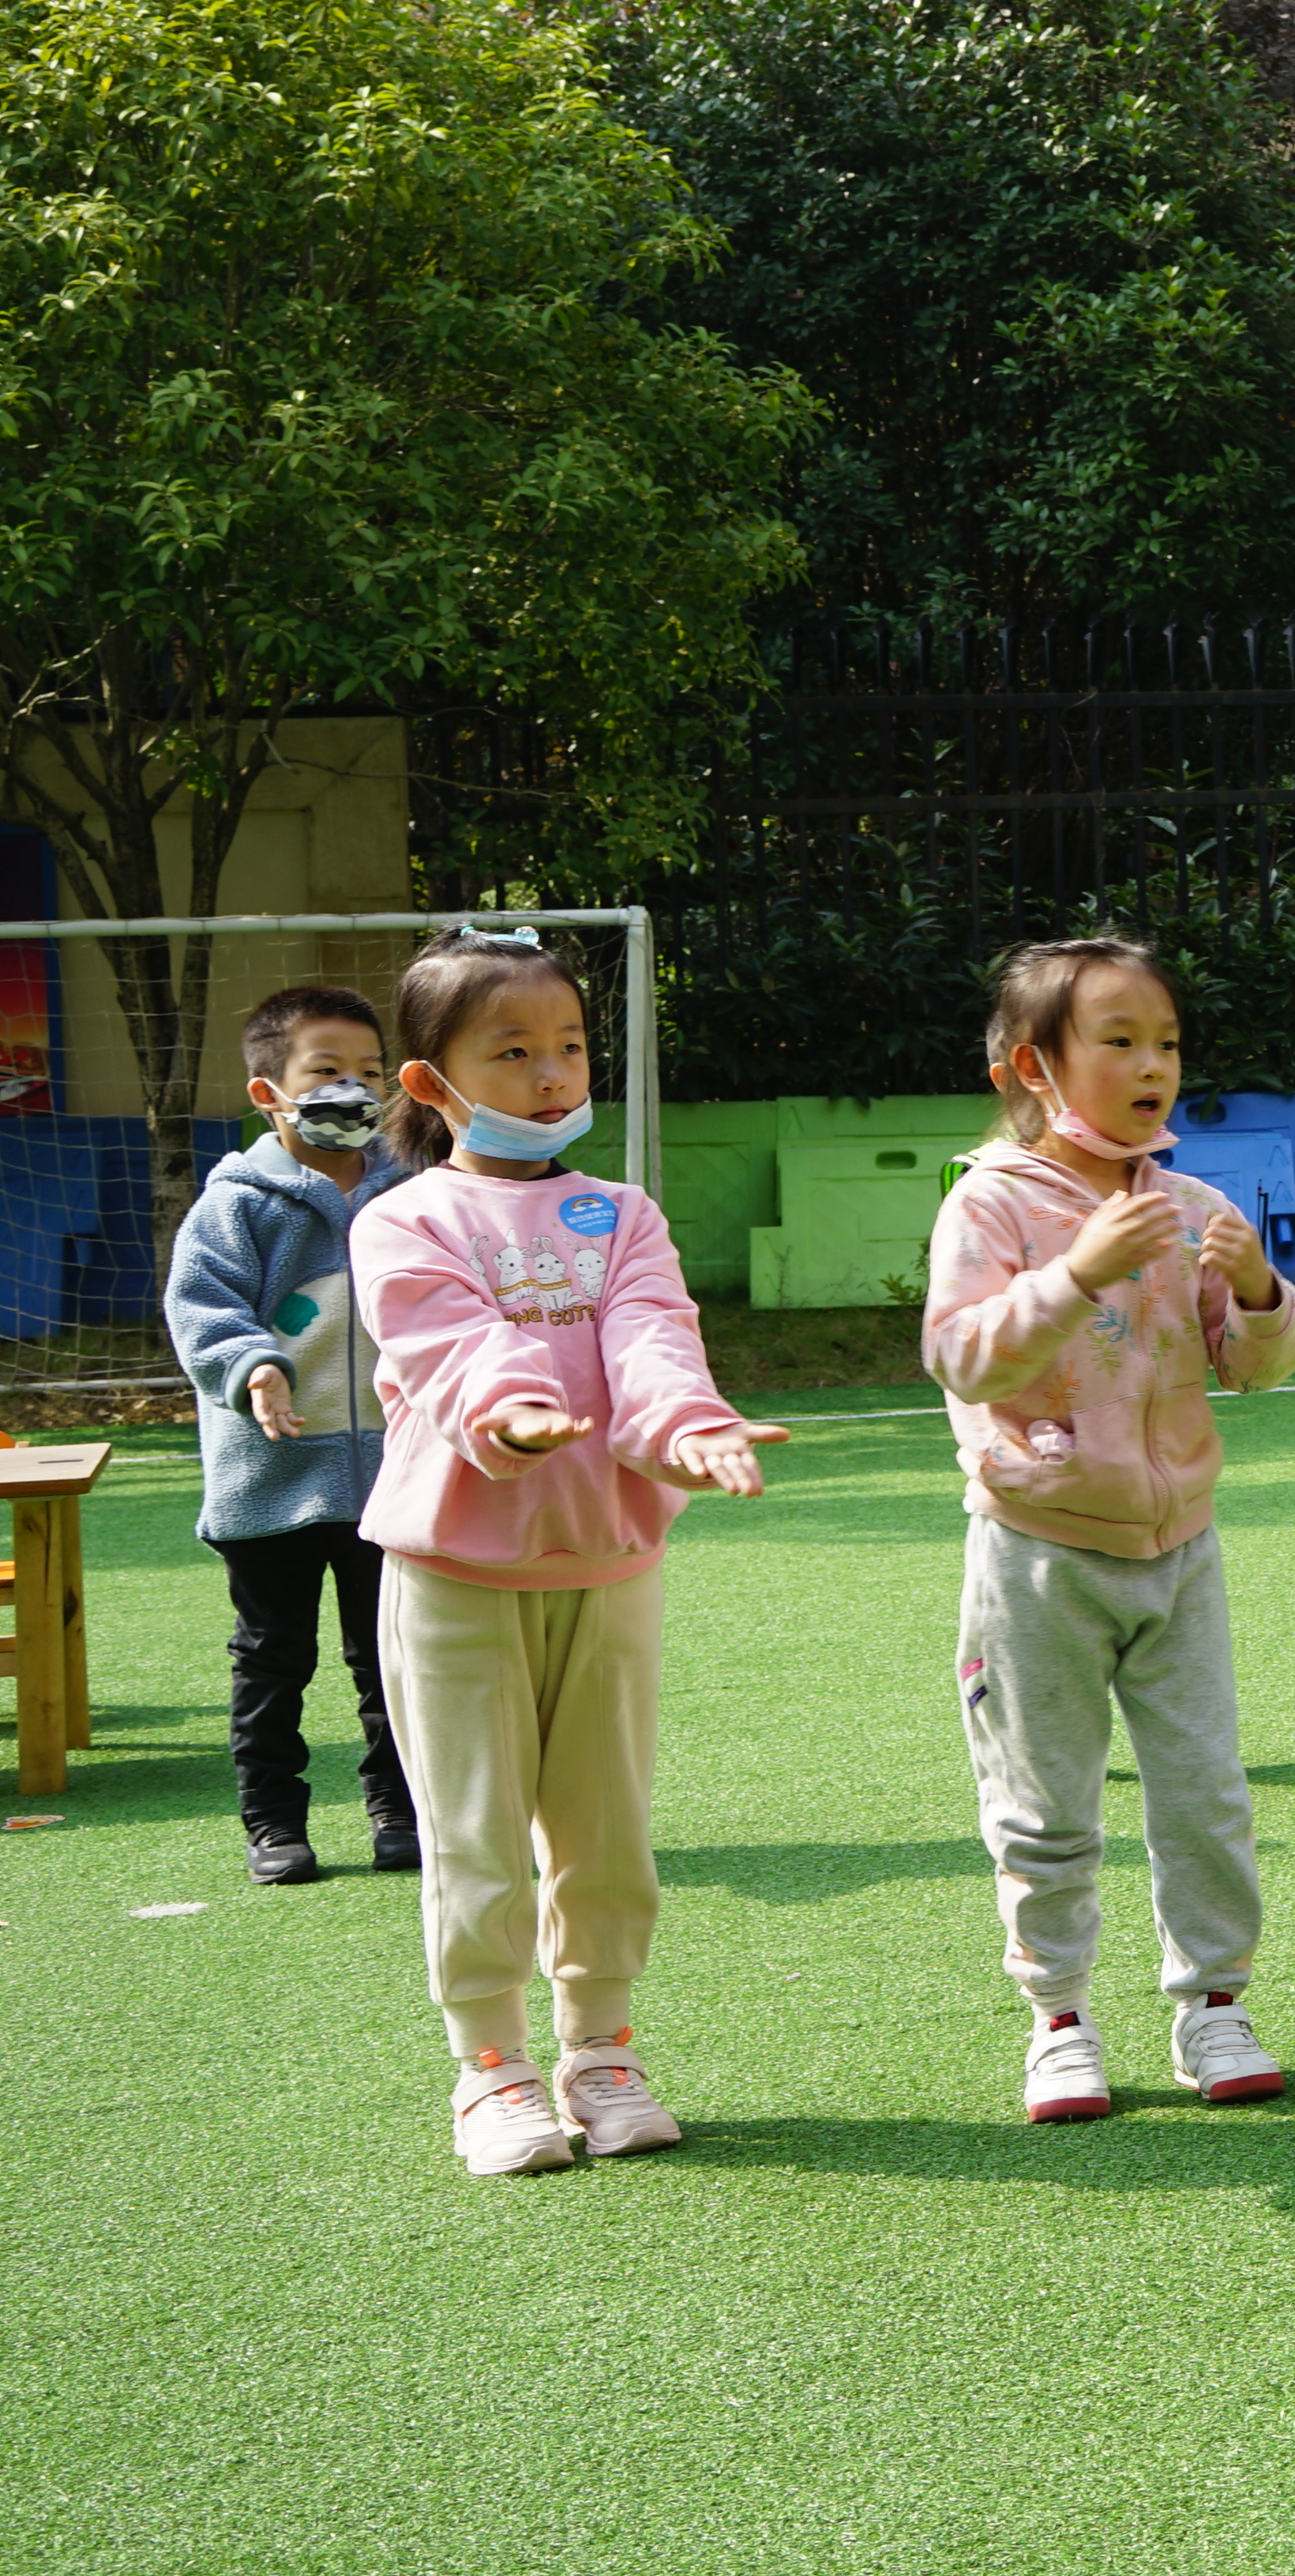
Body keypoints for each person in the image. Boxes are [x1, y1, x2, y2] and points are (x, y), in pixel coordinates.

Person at [354, 926, 775, 2176]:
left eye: (571, 1046)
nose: (553, 1074)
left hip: (607, 1563)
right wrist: (512, 1413)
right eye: (515, 1051)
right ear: (433, 1083)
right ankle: (491, 2069)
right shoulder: (406, 1220)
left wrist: (689, 1431)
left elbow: (654, 1337)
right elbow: (446, 1345)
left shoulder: (621, 1214)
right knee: (475, 1834)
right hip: (453, 1573)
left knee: (607, 1834)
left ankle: (603, 2048)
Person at [926, 936, 1295, 2122]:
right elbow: (962, 1352)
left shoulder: (1192, 1203)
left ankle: (1213, 2004)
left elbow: (1255, 1370)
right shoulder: (990, 1201)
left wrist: (1257, 1295)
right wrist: (1077, 1274)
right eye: (1121, 1041)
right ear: (1037, 1066)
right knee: (1043, 1803)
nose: (1154, 1066)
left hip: (1179, 1549)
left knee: (1203, 1793)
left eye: (1168, 1043)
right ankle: (1060, 2016)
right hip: (1037, 1553)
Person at [162, 983, 415, 1887]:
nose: (353, 1088)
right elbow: (202, 1305)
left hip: (395, 1474)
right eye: (327, 1072)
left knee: (391, 1653)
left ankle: (398, 1807)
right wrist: (254, 1367)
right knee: (274, 1658)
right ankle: (274, 1822)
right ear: (270, 1093)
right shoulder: (239, 1203)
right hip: (269, 1477)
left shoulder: (412, 1186)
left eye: (368, 1071)